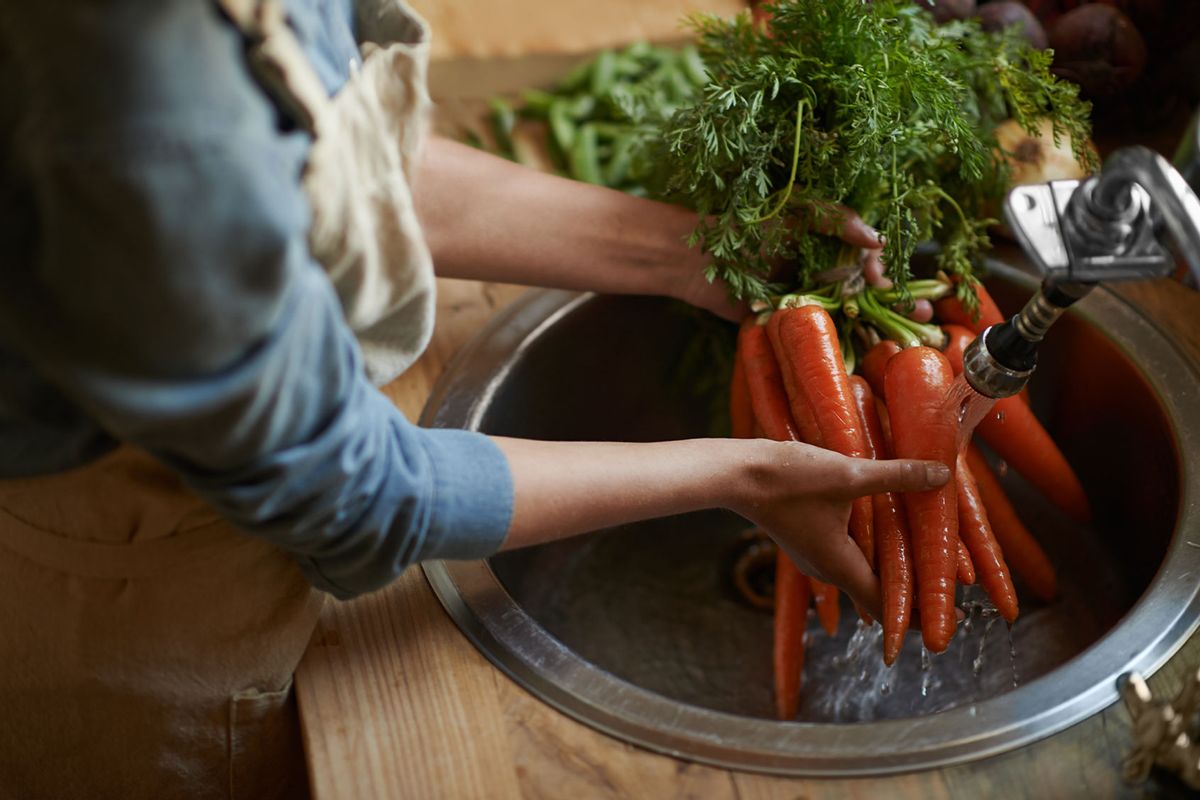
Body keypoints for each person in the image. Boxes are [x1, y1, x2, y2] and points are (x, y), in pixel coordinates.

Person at [0, 1, 950, 798]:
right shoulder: (141, 106)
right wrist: (742, 472)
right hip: (131, 577)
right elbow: (361, 497)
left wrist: (698, 249)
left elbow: (343, 174)